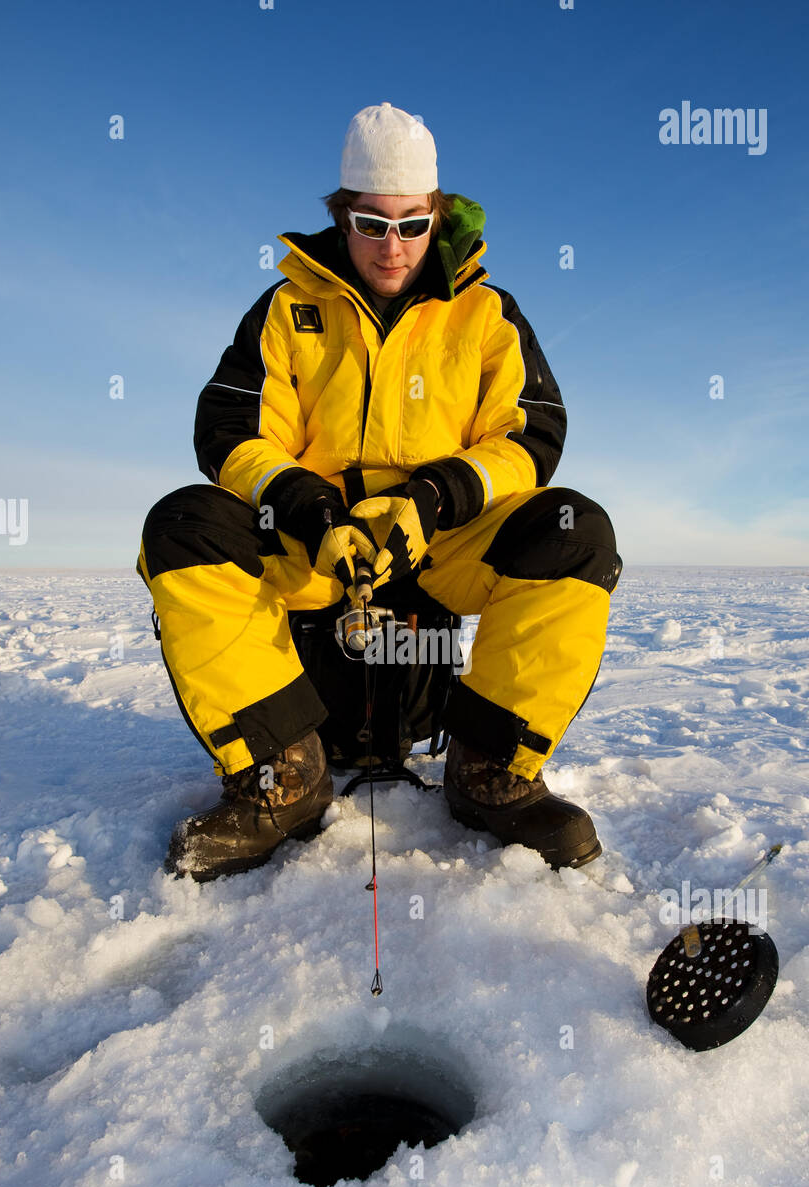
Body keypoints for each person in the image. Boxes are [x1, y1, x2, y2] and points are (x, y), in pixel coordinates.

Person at [137, 101, 622, 883]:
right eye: (371, 222)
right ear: (342, 215)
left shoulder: (488, 314)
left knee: (576, 530)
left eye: (410, 223)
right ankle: (280, 778)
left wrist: (433, 501)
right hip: (319, 544)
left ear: (437, 216)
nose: (391, 245)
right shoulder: (285, 311)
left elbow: (530, 435)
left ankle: (490, 770)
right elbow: (229, 428)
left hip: (441, 544)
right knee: (185, 525)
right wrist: (306, 504)